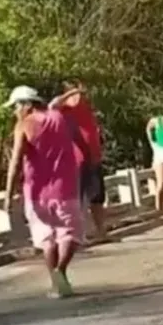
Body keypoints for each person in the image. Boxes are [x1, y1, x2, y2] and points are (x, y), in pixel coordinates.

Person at [3, 86, 91, 298]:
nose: (15, 111)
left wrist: (8, 194)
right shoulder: (59, 117)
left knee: (46, 238)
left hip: (36, 191)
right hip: (66, 187)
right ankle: (61, 270)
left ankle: (56, 282)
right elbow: (59, 103)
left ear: (26, 105)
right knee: (69, 233)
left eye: (16, 106)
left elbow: (15, 161)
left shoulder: (24, 125)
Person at [49, 79, 107, 244]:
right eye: (74, 93)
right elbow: (52, 106)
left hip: (94, 158)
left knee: (97, 197)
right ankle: (80, 235)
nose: (79, 96)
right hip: (76, 160)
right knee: (78, 199)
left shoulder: (86, 108)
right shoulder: (64, 110)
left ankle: (102, 232)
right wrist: (70, 94)